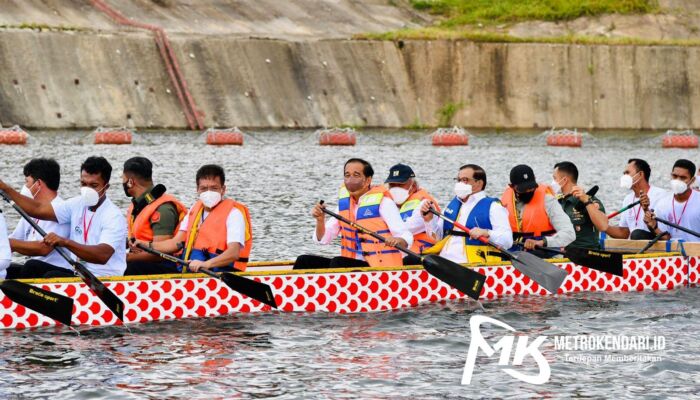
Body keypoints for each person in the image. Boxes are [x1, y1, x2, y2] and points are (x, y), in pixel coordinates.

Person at [0, 156, 127, 277]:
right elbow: (37, 209)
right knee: (28, 267)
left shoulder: (113, 216)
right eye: (83, 184)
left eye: (93, 185)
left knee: (42, 272)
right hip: (78, 273)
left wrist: (65, 242)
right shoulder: (76, 204)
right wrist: (4, 187)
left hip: (104, 279)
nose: (87, 189)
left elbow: (102, 255)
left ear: (106, 187)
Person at [294, 158, 412, 269]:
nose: (351, 179)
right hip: (351, 264)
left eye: (356, 175)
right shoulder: (344, 205)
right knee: (304, 261)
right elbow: (323, 239)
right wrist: (320, 220)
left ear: (368, 180)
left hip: (378, 267)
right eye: (347, 175)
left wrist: (398, 240)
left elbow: (406, 236)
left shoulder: (384, 203)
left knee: (338, 262)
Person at [138, 164, 252, 273]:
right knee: (137, 267)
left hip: (216, 271)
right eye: (203, 188)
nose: (208, 192)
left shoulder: (234, 214)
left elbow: (233, 253)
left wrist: (206, 264)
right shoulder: (195, 210)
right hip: (191, 268)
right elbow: (174, 244)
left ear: (223, 189)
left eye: (214, 188)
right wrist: (142, 244)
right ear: (197, 189)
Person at [419, 164, 512, 264]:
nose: (460, 183)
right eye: (458, 180)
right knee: (408, 260)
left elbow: (507, 241)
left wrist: (486, 233)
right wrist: (429, 220)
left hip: (473, 264)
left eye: (465, 180)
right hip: (444, 260)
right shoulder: (452, 205)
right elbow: (438, 237)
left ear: (479, 183)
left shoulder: (494, 206)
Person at [6, 158, 72, 278]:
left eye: (27, 182)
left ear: (38, 184)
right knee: (7, 269)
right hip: (35, 270)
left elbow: (44, 249)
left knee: (31, 266)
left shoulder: (62, 210)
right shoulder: (30, 212)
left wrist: (8, 243)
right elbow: (12, 240)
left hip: (58, 273)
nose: (24, 186)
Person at [122, 157, 187, 275]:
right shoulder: (139, 204)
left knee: (127, 267)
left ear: (131, 182)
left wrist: (126, 258)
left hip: (162, 267)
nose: (123, 183)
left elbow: (161, 256)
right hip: (140, 261)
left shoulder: (162, 209)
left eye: (123, 179)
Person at [501, 164, 575, 255]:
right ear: (512, 186)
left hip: (543, 250)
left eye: (531, 187)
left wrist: (541, 242)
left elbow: (569, 234)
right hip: (513, 250)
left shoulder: (548, 200)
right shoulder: (504, 202)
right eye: (523, 189)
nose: (528, 191)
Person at [384, 163, 440, 265]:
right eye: (392, 185)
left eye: (400, 185)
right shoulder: (391, 204)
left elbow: (405, 229)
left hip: (422, 256)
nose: (396, 189)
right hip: (401, 254)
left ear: (413, 186)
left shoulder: (424, 203)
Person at [605, 158, 667, 240]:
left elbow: (666, 232)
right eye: (624, 174)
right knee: (635, 234)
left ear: (640, 174)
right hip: (635, 243)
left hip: (657, 242)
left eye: (627, 173)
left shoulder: (661, 195)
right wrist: (603, 226)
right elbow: (624, 233)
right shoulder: (628, 199)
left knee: (637, 234)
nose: (624, 176)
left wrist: (646, 209)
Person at [551, 161, 608, 250]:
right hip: (562, 253)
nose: (552, 182)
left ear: (564, 180)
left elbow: (603, 226)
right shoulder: (556, 201)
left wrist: (586, 201)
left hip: (585, 255)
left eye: (554, 178)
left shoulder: (590, 199)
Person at [644, 159, 699, 242]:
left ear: (692, 180)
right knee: (638, 234)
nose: (678, 180)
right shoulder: (662, 203)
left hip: (696, 250)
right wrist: (654, 227)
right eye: (675, 176)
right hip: (673, 250)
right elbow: (666, 238)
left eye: (683, 178)